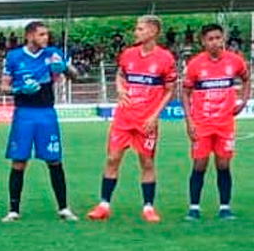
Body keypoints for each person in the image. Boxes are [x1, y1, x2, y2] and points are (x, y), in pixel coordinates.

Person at [88, 16, 177, 223]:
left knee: (146, 162)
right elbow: (120, 74)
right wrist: (119, 88)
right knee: (112, 158)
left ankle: (148, 207)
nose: (136, 32)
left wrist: (155, 116)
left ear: (153, 31)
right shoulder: (128, 54)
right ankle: (104, 206)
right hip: (124, 118)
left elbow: (170, 90)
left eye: (140, 29)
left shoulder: (165, 58)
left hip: (147, 120)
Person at [0, 21, 80, 222]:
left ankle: (64, 208)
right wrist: (19, 90)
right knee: (19, 161)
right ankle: (13, 210)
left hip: (46, 113)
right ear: (29, 36)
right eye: (42, 34)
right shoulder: (14, 57)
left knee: (54, 160)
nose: (46, 38)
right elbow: (3, 87)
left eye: (47, 34)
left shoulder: (52, 53)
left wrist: (65, 68)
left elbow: (76, 76)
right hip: (24, 114)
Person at [182, 24, 250, 220]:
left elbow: (246, 79)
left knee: (223, 165)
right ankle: (194, 208)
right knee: (199, 165)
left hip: (225, 123)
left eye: (218, 38)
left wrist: (243, 101)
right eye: (210, 39)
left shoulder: (234, 61)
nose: (215, 42)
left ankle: (225, 207)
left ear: (223, 39)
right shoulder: (195, 64)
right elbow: (185, 93)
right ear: (203, 42)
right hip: (202, 123)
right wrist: (189, 121)